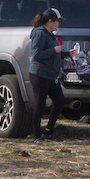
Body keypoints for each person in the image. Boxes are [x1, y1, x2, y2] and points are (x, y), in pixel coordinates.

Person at [27, 9, 66, 139]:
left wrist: (67, 54)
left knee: (59, 101)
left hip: (51, 75)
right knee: (40, 104)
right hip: (39, 75)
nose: (58, 25)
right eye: (57, 22)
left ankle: (49, 130)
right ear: (50, 22)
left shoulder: (50, 34)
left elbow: (54, 53)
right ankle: (36, 135)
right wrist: (54, 50)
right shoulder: (39, 34)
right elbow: (37, 55)